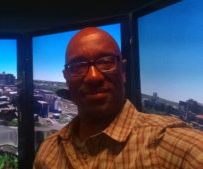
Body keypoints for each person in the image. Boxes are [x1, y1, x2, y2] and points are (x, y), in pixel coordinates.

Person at [33, 27, 203, 169]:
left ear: (123, 71)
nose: (93, 77)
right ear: (66, 77)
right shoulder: (48, 152)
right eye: (78, 66)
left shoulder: (165, 143)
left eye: (105, 61)